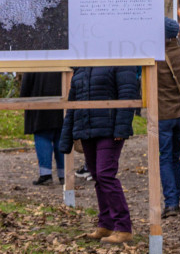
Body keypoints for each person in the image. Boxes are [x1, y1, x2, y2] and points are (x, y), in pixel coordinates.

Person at [57, 65, 141, 244]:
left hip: (110, 130)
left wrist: (121, 127)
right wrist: (67, 137)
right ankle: (106, 225)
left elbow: (127, 94)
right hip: (87, 130)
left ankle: (124, 228)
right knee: (97, 175)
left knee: (105, 175)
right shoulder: (81, 68)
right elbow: (72, 105)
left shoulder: (119, 61)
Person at [156, 18, 180, 218]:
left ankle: (171, 203)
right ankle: (175, 199)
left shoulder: (157, 58)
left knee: (165, 158)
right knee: (175, 158)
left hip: (163, 115)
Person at [20, 71, 65, 186]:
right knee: (61, 137)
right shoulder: (64, 56)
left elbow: (26, 83)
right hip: (62, 102)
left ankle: (46, 174)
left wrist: (23, 100)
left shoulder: (36, 56)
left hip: (39, 104)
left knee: (42, 136)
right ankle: (63, 174)